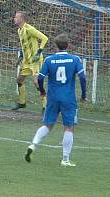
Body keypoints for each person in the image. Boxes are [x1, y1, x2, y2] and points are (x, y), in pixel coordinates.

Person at [25, 33, 86, 167]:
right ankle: (65, 159)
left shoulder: (49, 60)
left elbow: (40, 78)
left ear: (55, 46)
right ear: (68, 45)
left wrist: (42, 91)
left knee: (47, 125)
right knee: (69, 127)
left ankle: (33, 145)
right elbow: (82, 77)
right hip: (68, 98)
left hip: (52, 97)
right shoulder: (75, 59)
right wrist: (84, 95)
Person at [13, 10, 49, 110]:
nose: (14, 19)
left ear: (21, 19)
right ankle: (22, 102)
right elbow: (24, 44)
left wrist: (39, 52)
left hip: (35, 61)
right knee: (19, 80)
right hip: (26, 61)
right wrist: (21, 56)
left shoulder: (29, 29)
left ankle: (46, 106)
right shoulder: (20, 30)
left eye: (16, 17)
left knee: (36, 82)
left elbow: (45, 38)